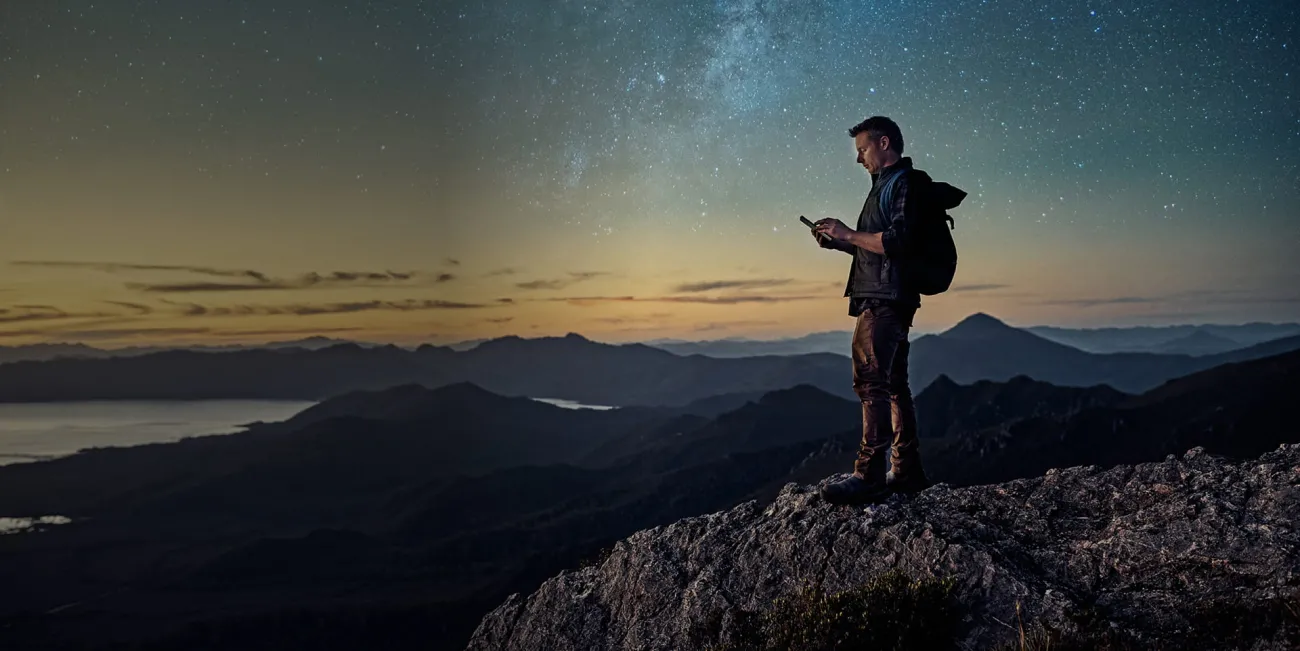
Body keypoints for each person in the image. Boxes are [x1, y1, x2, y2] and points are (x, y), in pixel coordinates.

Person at [811, 115, 931, 505]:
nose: (858, 158)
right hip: (884, 294)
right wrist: (839, 243)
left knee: (870, 383)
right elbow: (876, 245)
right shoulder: (884, 186)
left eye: (862, 149)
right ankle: (907, 469)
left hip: (884, 299)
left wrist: (848, 233)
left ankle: (869, 474)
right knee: (893, 384)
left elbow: (897, 241)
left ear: (883, 143)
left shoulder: (903, 184)